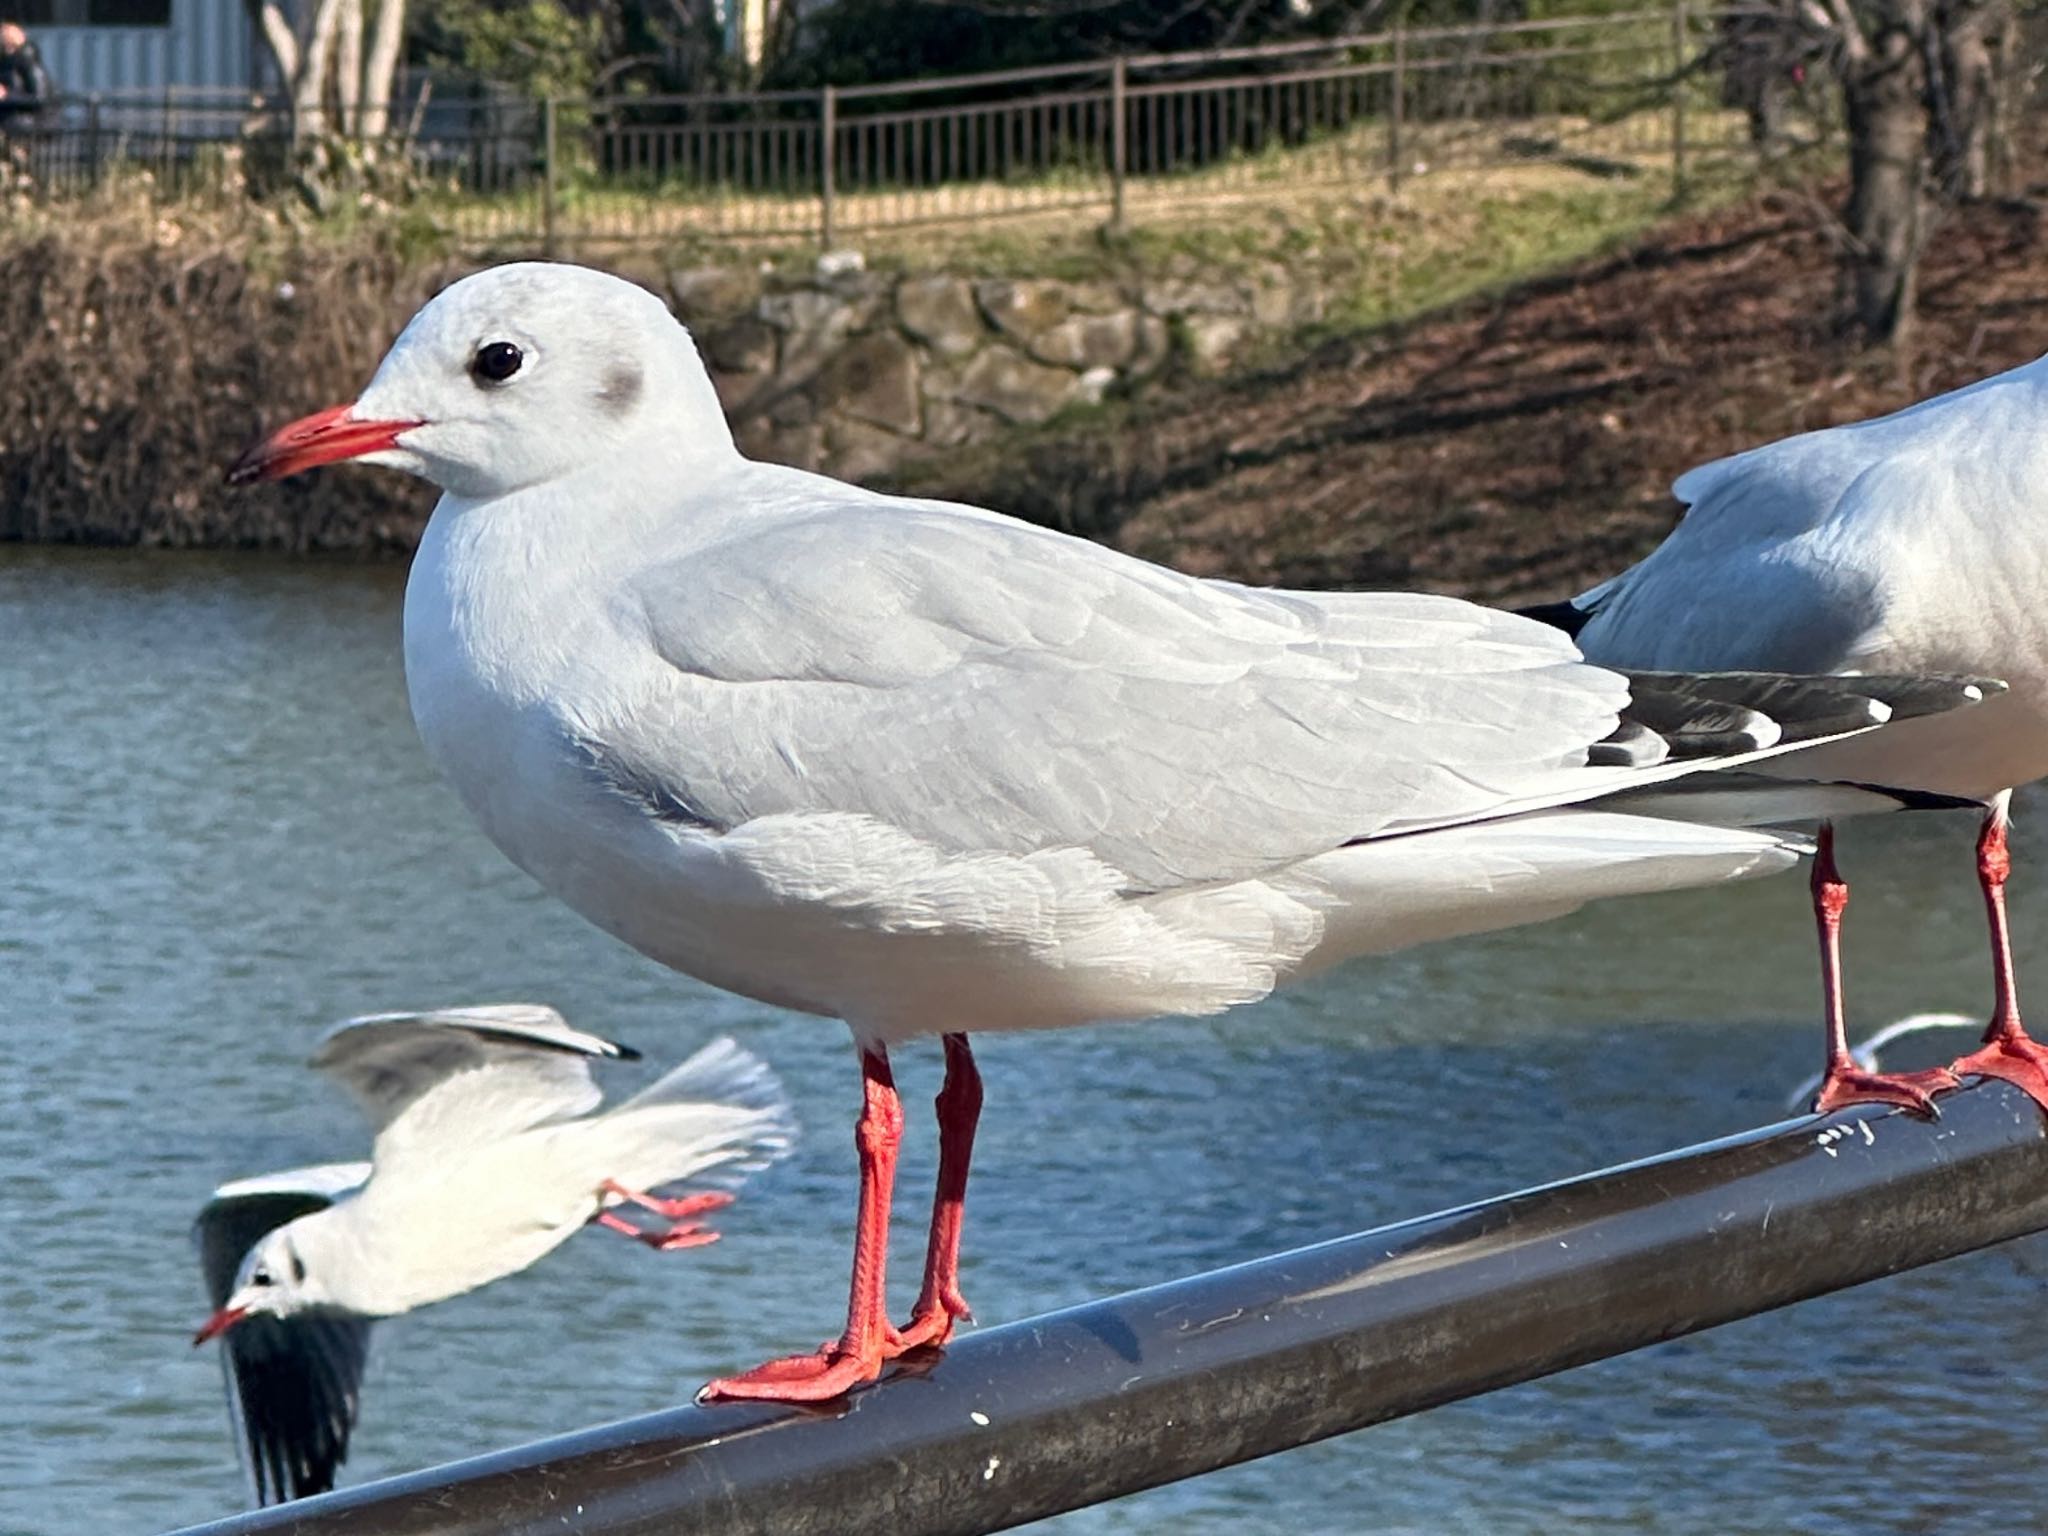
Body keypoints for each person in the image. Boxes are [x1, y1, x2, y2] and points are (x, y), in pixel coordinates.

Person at [0, 20, 54, 136]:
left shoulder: (29, 63)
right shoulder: (5, 64)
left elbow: (40, 98)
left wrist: (7, 96)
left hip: (24, 125)